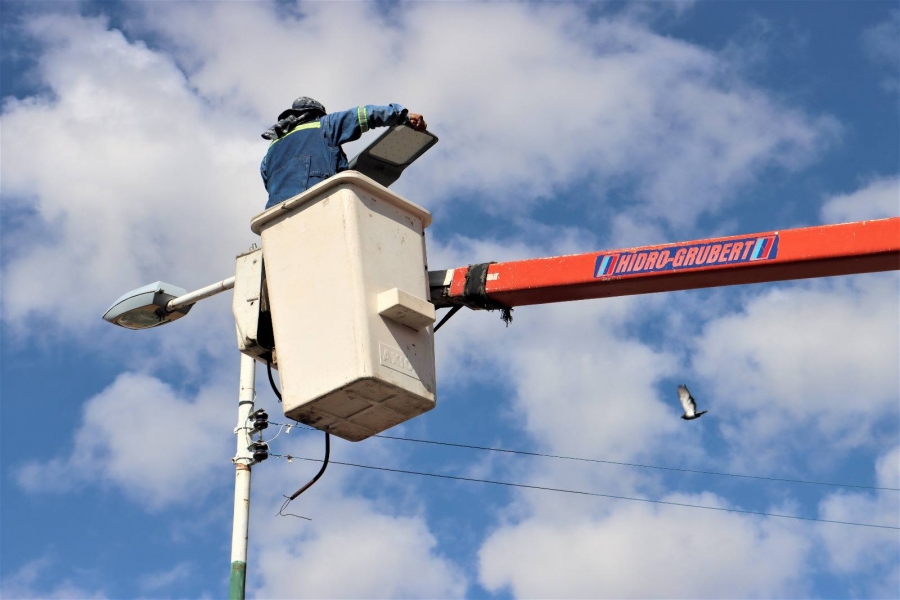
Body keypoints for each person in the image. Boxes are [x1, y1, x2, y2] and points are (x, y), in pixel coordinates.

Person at [260, 97, 427, 209]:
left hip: (275, 218)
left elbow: (269, 183)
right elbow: (364, 115)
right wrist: (402, 116)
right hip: (317, 205)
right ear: (315, 114)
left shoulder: (270, 152)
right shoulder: (324, 125)